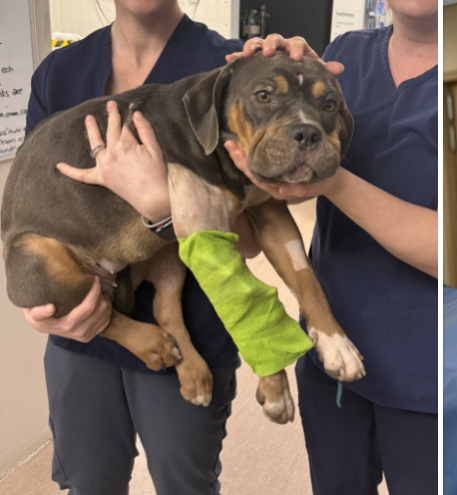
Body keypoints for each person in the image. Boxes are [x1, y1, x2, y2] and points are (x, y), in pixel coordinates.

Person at [22, 1, 326, 492]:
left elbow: (251, 234)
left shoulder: (236, 70)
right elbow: (34, 204)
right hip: (82, 334)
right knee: (87, 480)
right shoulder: (59, 73)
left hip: (196, 325)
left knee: (185, 482)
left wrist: (163, 206)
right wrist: (41, 306)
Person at [225, 1, 439, 492]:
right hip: (333, 346)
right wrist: (263, 87)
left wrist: (334, 181)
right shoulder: (342, 56)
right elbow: (252, 239)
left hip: (433, 369)